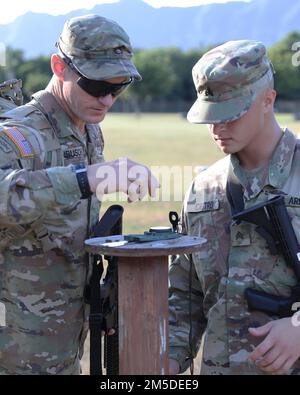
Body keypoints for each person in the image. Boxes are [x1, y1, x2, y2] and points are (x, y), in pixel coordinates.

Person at [0, 14, 159, 375]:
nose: (107, 100)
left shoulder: (87, 132)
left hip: (64, 349)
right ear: (59, 66)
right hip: (15, 354)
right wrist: (84, 178)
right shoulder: (18, 134)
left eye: (117, 88)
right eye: (95, 85)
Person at [168, 40, 300, 375]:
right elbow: (186, 296)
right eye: (211, 116)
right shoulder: (204, 188)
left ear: (268, 100)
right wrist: (164, 362)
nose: (218, 128)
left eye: (232, 114)